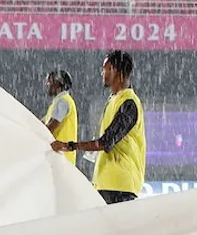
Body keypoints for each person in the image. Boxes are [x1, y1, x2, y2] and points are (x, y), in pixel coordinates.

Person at [51, 51, 145, 204]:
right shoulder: (114, 100)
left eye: (105, 69)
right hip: (107, 183)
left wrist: (70, 145)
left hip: (120, 186)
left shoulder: (129, 103)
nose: (103, 73)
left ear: (115, 70)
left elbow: (105, 142)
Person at [43, 70, 79, 166]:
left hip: (61, 159)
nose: (47, 84)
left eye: (49, 81)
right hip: (60, 158)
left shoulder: (63, 102)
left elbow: (50, 127)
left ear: (58, 83)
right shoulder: (58, 102)